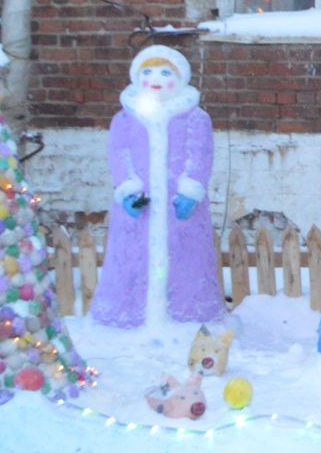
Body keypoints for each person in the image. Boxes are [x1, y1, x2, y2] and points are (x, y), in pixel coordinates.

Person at [94, 46, 227, 332]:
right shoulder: (125, 119)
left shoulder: (195, 118)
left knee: (185, 261)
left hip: (179, 210)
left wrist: (190, 191)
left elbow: (199, 154)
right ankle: (128, 317)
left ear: (180, 78)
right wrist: (128, 189)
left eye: (165, 72)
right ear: (136, 77)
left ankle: (188, 317)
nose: (155, 78)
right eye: (148, 71)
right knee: (132, 261)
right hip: (140, 212)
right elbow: (119, 154)